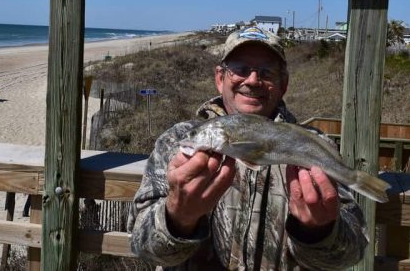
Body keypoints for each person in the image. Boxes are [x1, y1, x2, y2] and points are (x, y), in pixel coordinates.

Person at [127, 27, 368, 270]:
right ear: (220, 78)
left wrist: (319, 231)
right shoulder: (176, 141)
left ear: (283, 84)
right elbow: (141, 246)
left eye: (266, 72)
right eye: (240, 70)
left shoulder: (316, 145)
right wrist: (178, 218)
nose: (252, 80)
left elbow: (351, 253)